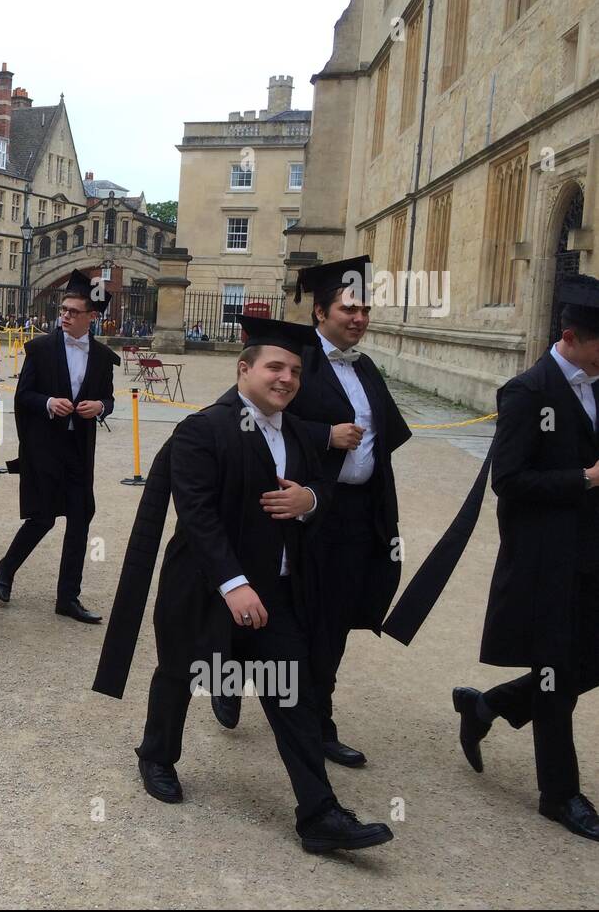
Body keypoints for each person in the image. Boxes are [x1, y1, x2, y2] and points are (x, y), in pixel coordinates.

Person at [94, 314, 395, 854]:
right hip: (203, 586)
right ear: (244, 369)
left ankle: (318, 815)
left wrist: (311, 502)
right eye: (275, 367)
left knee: (292, 694)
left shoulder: (301, 433)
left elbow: (326, 489)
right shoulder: (203, 430)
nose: (286, 379)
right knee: (181, 674)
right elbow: (198, 515)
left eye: (296, 372)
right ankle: (157, 755)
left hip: (276, 593)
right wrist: (233, 583)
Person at [385, 274, 599, 842]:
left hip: (594, 554)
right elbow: (508, 479)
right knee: (556, 672)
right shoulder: (528, 392)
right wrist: (584, 478)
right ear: (573, 337)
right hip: (548, 559)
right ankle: (560, 794)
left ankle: (485, 708)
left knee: (589, 664)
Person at [211, 257, 412, 770]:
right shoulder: (291, 359)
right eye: (349, 308)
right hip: (297, 515)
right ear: (320, 311)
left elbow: (384, 436)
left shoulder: (364, 367)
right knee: (277, 608)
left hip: (355, 515)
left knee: (335, 621)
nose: (359, 317)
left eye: (365, 308)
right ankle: (230, 678)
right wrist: (324, 436)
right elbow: (238, 415)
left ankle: (320, 722)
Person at [0, 269, 117, 624]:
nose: (64, 316)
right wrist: (48, 403)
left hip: (80, 449)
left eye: (73, 312)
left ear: (91, 318)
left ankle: (68, 598)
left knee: (80, 519)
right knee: (43, 516)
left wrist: (101, 408)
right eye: (63, 309)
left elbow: (107, 398)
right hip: (46, 446)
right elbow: (23, 396)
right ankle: (6, 568)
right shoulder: (41, 349)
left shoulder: (102, 357)